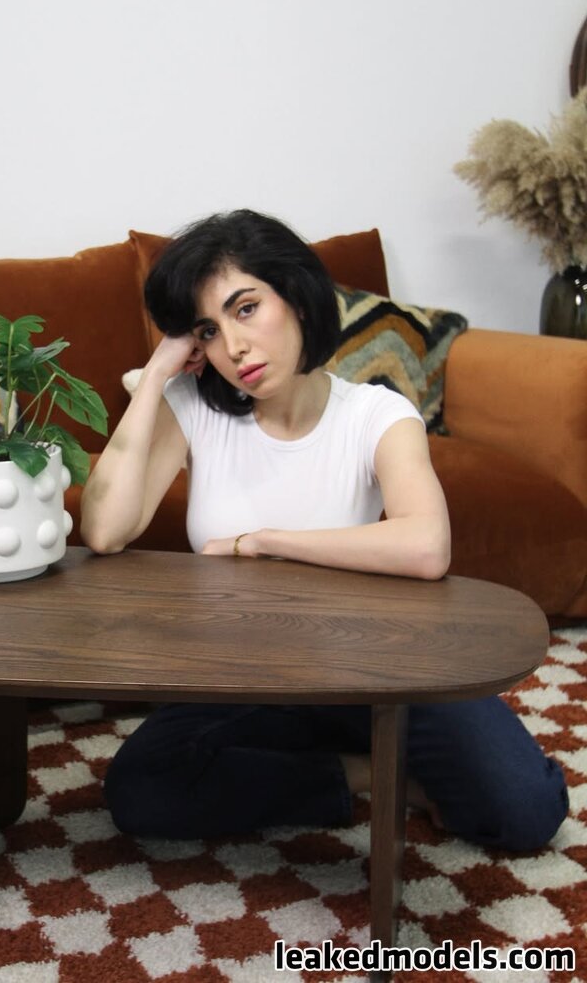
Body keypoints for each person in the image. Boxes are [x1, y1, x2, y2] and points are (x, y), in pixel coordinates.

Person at [80, 209, 568, 851]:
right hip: (244, 675)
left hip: (374, 666)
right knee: (140, 790)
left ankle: (326, 763)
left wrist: (263, 541)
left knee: (527, 809)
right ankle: (371, 776)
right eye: (208, 330)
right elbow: (104, 530)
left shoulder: (376, 414)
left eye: (246, 309)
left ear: (297, 297)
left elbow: (427, 545)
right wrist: (155, 376)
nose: (234, 346)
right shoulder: (194, 408)